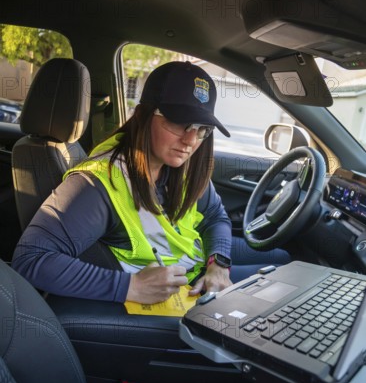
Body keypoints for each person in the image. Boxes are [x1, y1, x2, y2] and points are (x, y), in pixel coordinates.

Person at [12, 61, 290, 304]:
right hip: (169, 302)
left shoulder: (182, 167)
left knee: (286, 260)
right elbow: (31, 259)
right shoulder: (97, 183)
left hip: (196, 271)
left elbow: (215, 216)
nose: (191, 141)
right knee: (283, 286)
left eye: (202, 130)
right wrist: (130, 287)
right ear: (144, 116)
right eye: (179, 123)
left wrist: (219, 263)